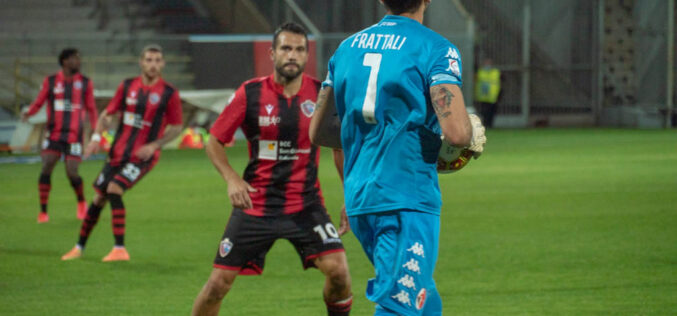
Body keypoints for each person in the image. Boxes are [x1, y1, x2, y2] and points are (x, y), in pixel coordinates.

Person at [309, 1, 486, 315]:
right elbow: (457, 134)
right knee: (400, 305)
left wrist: (373, 138)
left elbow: (318, 133)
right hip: (405, 199)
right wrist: (468, 134)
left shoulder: (346, 49)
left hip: (361, 200)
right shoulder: (436, 48)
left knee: (424, 300)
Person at [191, 23, 352, 316]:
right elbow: (214, 141)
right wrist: (232, 179)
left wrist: (349, 195)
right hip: (256, 205)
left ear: (307, 55)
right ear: (272, 53)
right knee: (218, 284)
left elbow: (338, 150)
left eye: (300, 49)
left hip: (305, 204)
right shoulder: (250, 93)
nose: (293, 55)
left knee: (339, 272)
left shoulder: (322, 96)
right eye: (286, 48)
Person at [60, 44, 183, 262]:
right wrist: (96, 138)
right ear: (141, 62)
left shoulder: (169, 93)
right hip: (117, 153)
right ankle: (78, 247)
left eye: (157, 60)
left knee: (114, 188)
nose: (153, 65)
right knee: (99, 198)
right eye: (149, 60)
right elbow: (107, 115)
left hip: (143, 157)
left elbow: (176, 127)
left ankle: (119, 249)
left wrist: (155, 145)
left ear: (162, 64)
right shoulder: (127, 86)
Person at [22, 48, 98, 223]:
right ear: (64, 61)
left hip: (74, 136)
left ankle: (81, 203)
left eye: (79, 58)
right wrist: (29, 113)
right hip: (54, 134)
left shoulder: (85, 83)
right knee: (46, 166)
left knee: (72, 173)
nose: (78, 62)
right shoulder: (50, 81)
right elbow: (40, 100)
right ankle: (43, 212)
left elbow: (92, 109)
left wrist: (95, 132)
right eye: (74, 59)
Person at [475, 57, 502, 128]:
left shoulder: (496, 72)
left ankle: (490, 125)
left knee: (491, 112)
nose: (487, 65)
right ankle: (485, 124)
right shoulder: (480, 71)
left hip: (493, 96)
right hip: (482, 96)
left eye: (489, 63)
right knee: (483, 112)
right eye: (486, 63)